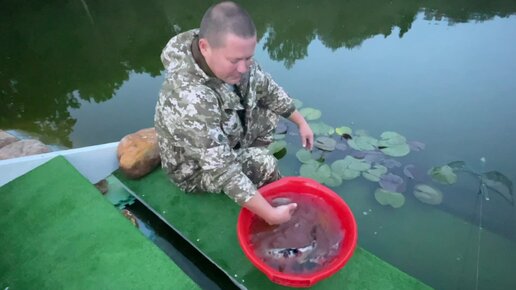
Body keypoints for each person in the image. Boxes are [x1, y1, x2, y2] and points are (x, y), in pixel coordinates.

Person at [155, 1, 313, 225]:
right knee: (263, 163)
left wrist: (301, 122)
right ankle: (271, 197)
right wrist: (271, 215)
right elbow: (222, 170)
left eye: (248, 57)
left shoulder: (236, 59)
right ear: (204, 47)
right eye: (234, 60)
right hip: (194, 168)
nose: (243, 68)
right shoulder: (188, 97)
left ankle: (251, 170)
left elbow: (267, 89)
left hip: (224, 138)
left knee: (268, 112)